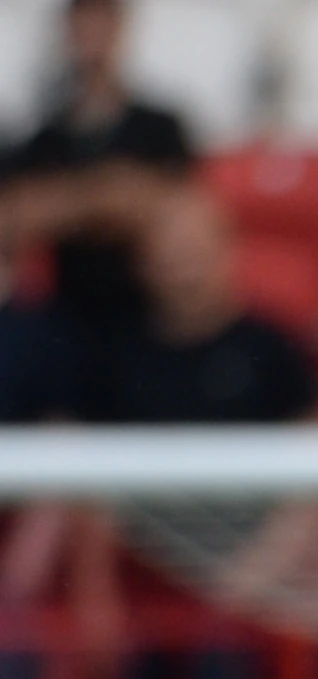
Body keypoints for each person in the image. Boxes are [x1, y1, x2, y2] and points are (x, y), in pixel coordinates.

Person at [0, 0, 194, 418]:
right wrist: (111, 194)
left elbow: (172, 212)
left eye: (100, 19)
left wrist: (66, 203)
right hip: (66, 316)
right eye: (82, 20)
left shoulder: (159, 126)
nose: (91, 32)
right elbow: (22, 214)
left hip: (148, 315)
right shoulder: (42, 137)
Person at [90, 193, 318, 427]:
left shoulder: (272, 350)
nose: (187, 274)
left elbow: (308, 437)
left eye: (196, 256)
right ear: (141, 264)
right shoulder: (109, 353)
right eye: (172, 260)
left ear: (230, 254)